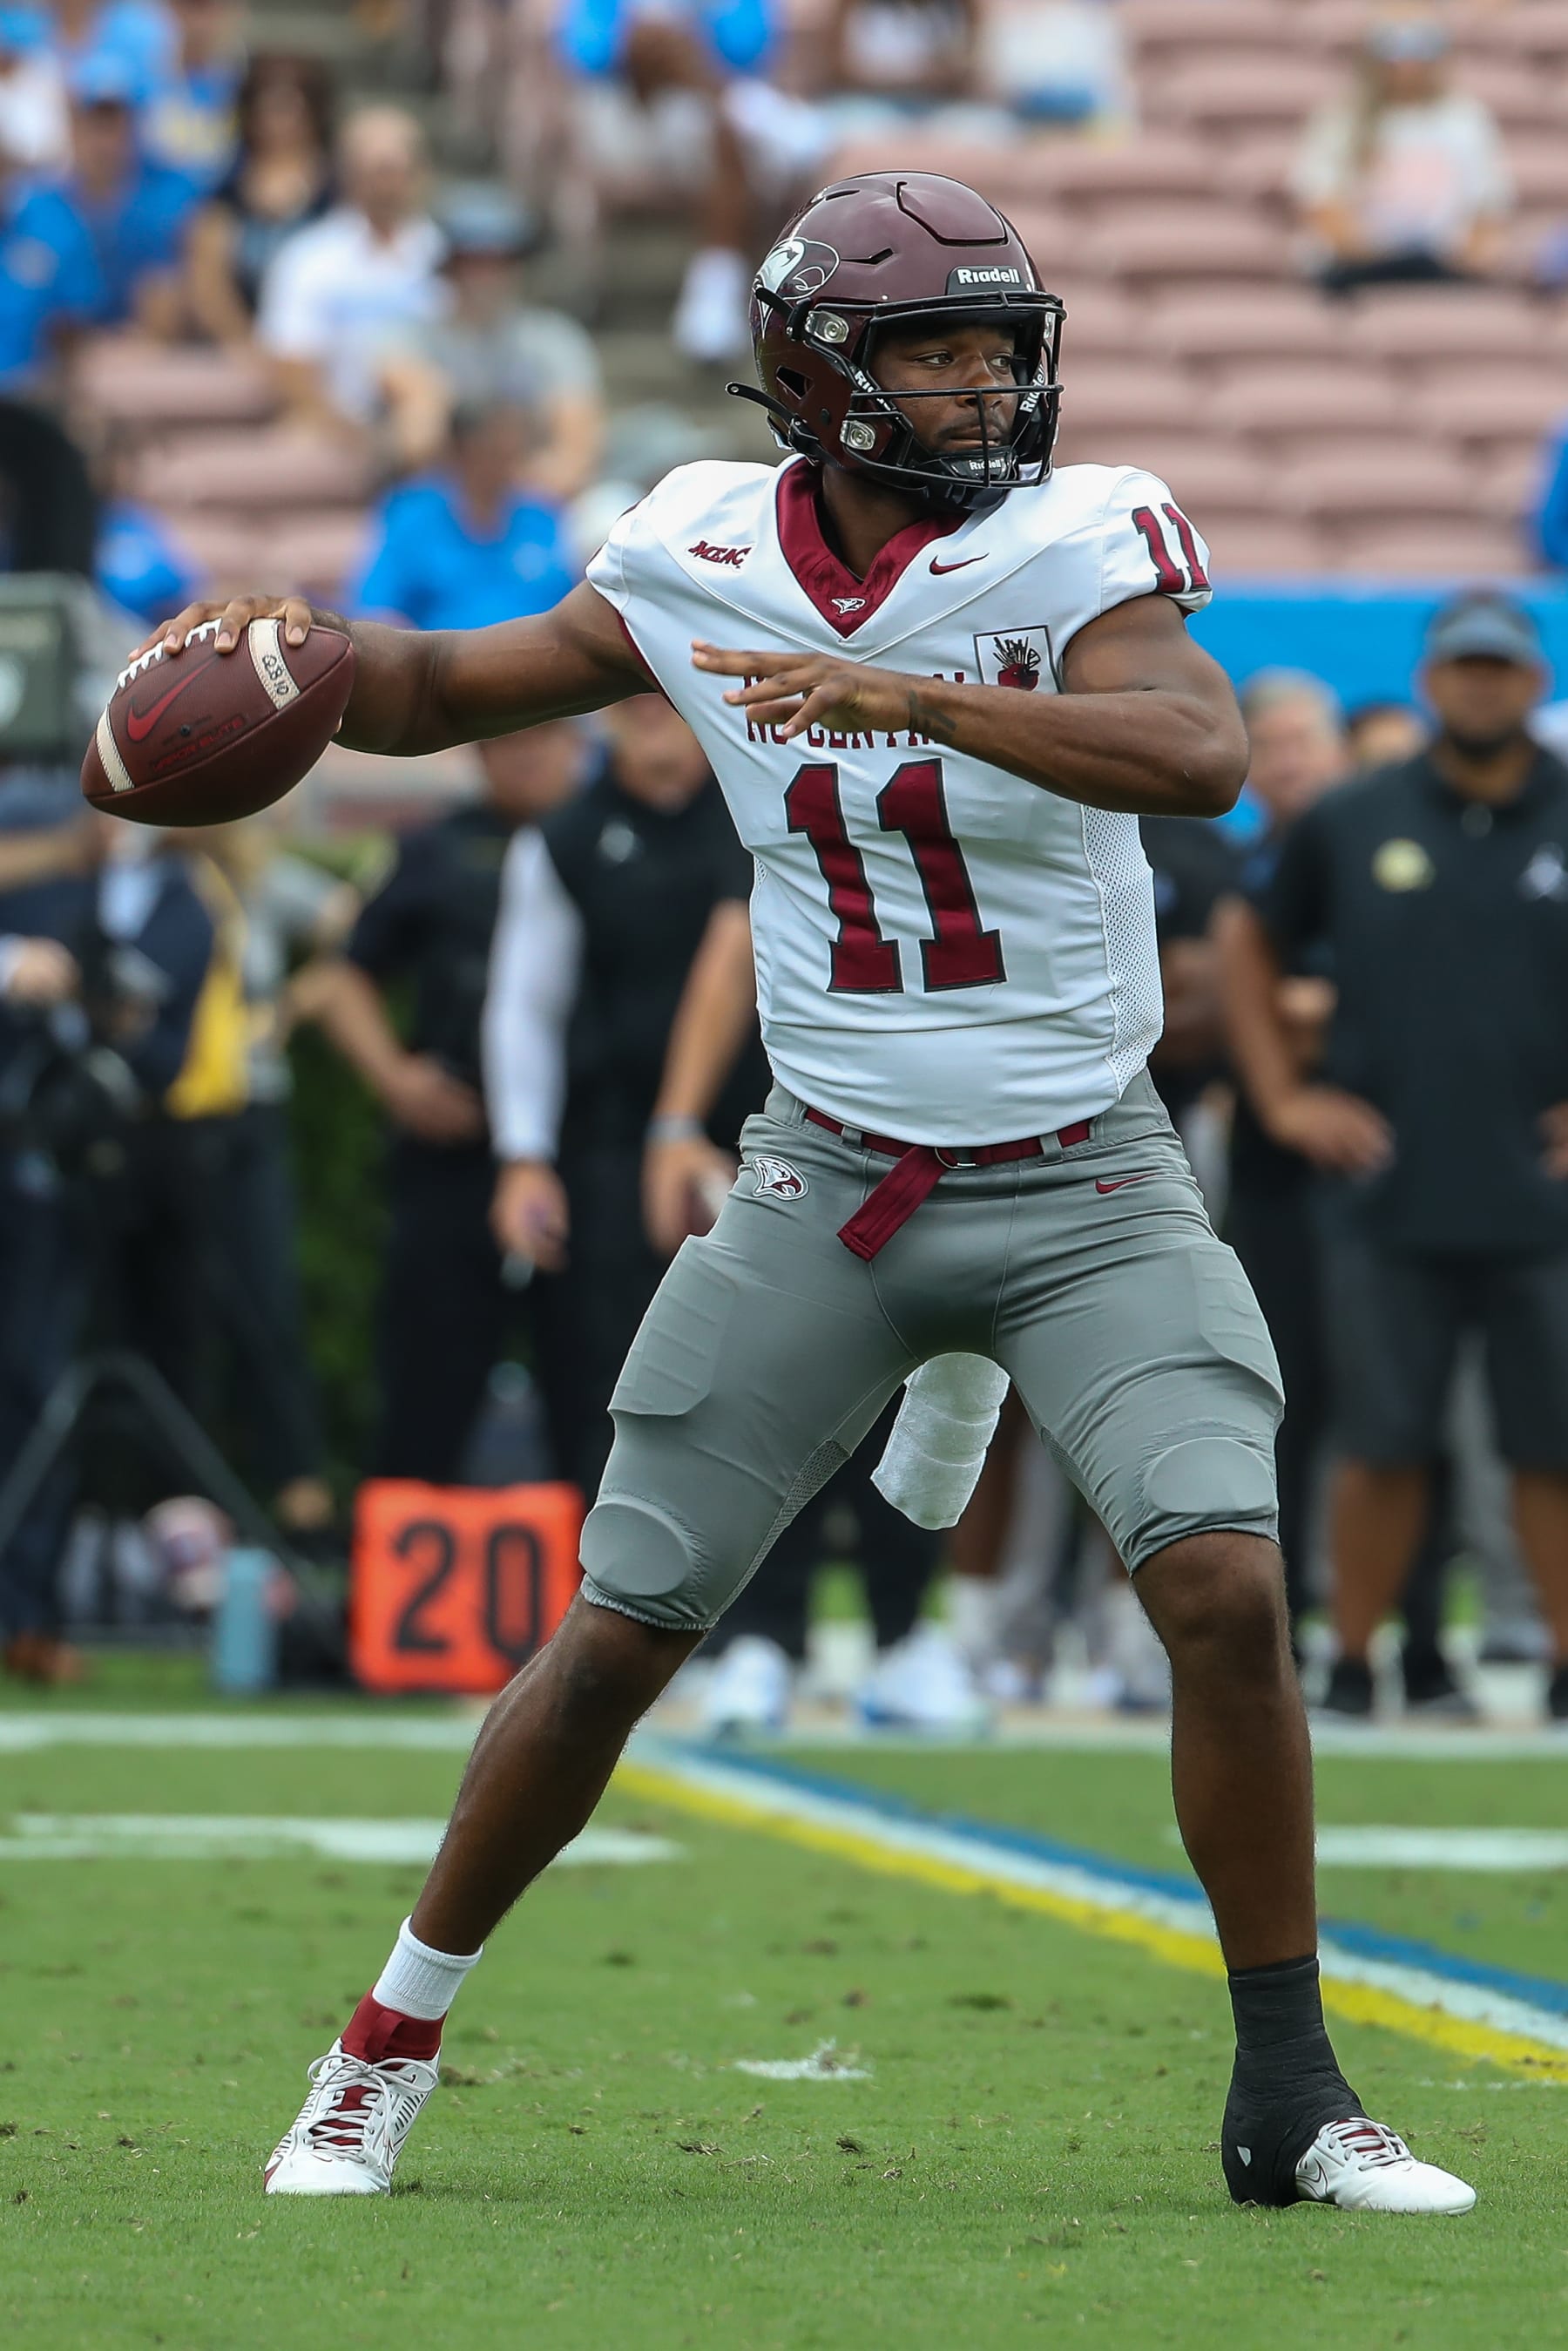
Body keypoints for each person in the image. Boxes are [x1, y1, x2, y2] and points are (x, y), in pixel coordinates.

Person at [147, 168, 1473, 2219]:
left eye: (993, 347)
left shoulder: (1075, 533)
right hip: (831, 1170)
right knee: (616, 1632)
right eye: (934, 352)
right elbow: (447, 694)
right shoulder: (689, 547)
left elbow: (1197, 749)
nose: (980, 388)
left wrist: (922, 694)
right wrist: (307, 648)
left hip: (1085, 1173)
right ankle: (376, 2050)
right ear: (817, 379)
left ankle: (1293, 2085)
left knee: (1221, 1580)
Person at [1220, 592, 1568, 1727]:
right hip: (1388, 1182)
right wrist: (1281, 1094)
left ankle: (1562, 1660)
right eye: (1464, 666)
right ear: (1431, 680)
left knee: (1551, 1441)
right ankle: (1352, 1659)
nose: (1482, 685)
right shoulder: (1356, 815)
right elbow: (1248, 937)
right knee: (1381, 1437)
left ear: (1531, 681)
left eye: (1502, 668)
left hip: (1542, 1190)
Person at [484, 693, 761, 1496]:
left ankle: (771, 1616)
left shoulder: (761, 810)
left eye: (663, 686)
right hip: (611, 1145)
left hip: (766, 1139)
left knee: (767, 1383)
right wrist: (523, 1157)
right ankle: (609, 1601)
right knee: (613, 1385)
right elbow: (524, 1008)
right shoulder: (564, 836)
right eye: (627, 688)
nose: (648, 706)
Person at [303, 722, 584, 1483]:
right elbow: (341, 978)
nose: (525, 754)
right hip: (455, 1146)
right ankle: (393, 1580)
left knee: (595, 1387)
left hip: (588, 1153)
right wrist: (395, 1078)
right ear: (478, 753)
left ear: (578, 745)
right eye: (507, 741)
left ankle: (613, 1593)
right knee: (426, 1381)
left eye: (543, 739)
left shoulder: (605, 836)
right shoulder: (434, 849)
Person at [378, 182, 604, 498]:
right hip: (441, 501)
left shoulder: (555, 339)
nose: (487, 275)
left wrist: (497, 485)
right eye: (474, 260)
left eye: (501, 260)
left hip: (532, 503)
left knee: (606, 513)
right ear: (450, 265)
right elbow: (417, 445)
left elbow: (574, 459)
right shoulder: (408, 337)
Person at [255, 104, 443, 436]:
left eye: (398, 170)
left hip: (434, 428)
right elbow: (291, 368)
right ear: (349, 175)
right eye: (377, 171)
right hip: (334, 428)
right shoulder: (308, 258)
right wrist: (346, 432)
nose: (388, 185)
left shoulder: (445, 254)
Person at [1291, 7, 1511, 292]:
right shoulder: (1341, 120)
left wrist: (1465, 256)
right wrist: (1370, 249)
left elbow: (1487, 212)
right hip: (1359, 271)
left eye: (1420, 50)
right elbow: (1321, 204)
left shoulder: (1466, 121)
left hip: (1441, 271)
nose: (1408, 65)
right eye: (1396, 50)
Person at [348, 401, 579, 633]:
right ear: (460, 450)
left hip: (545, 662)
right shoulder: (412, 517)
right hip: (446, 664)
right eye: (492, 448)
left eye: (512, 448)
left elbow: (573, 605)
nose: (505, 458)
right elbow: (376, 609)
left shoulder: (541, 516)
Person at [179, 53, 335, 341]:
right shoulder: (225, 192)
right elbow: (207, 284)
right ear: (250, 115)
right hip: (241, 345)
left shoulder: (338, 193)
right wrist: (247, 345)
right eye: (271, 108)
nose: (282, 121)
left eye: (292, 109)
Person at [49, 51, 199, 332]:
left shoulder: (176, 194)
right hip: (66, 354)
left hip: (151, 354)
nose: (104, 139)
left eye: (116, 122)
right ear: (72, 125)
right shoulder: (42, 204)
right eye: (93, 121)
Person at [140, 0, 241, 193]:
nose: (199, 23)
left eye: (208, 8)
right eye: (191, 7)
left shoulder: (238, 82)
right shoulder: (143, 78)